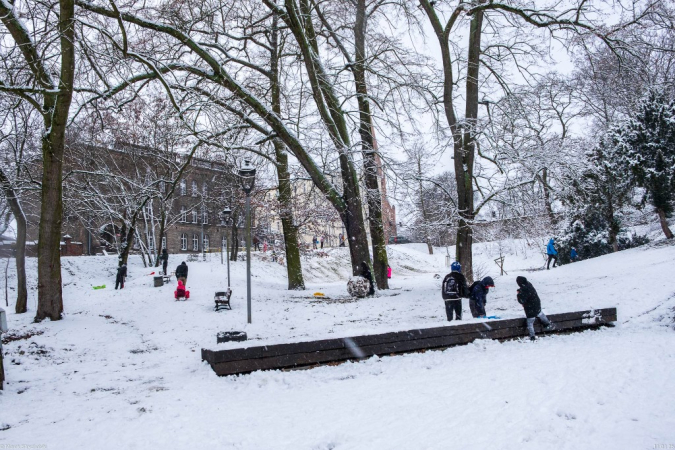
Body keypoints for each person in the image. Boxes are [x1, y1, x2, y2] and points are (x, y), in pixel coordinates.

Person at [516, 276, 555, 341]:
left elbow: (522, 301)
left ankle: (532, 336)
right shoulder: (529, 284)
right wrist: (521, 291)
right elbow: (528, 292)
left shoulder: (524, 290)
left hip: (530, 308)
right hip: (536, 304)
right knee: (540, 313)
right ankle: (547, 323)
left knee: (530, 322)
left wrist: (518, 294)